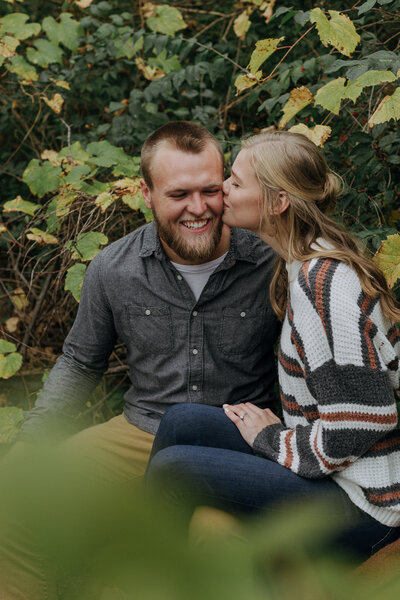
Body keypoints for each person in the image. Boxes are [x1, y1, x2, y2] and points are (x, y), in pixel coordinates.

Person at [1, 122, 279, 599]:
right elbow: (80, 362)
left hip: (239, 436)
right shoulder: (114, 267)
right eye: (179, 194)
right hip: (143, 430)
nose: (198, 208)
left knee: (211, 548)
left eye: (210, 190)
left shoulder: (272, 261)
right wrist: (33, 441)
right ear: (146, 194)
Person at [146, 130, 400, 561]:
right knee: (182, 421)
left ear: (278, 202)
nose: (222, 189)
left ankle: (152, 580)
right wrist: (282, 436)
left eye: (237, 183)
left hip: (365, 504)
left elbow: (365, 422)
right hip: (335, 468)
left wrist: (274, 440)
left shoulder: (324, 287)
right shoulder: (302, 263)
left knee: (177, 470)